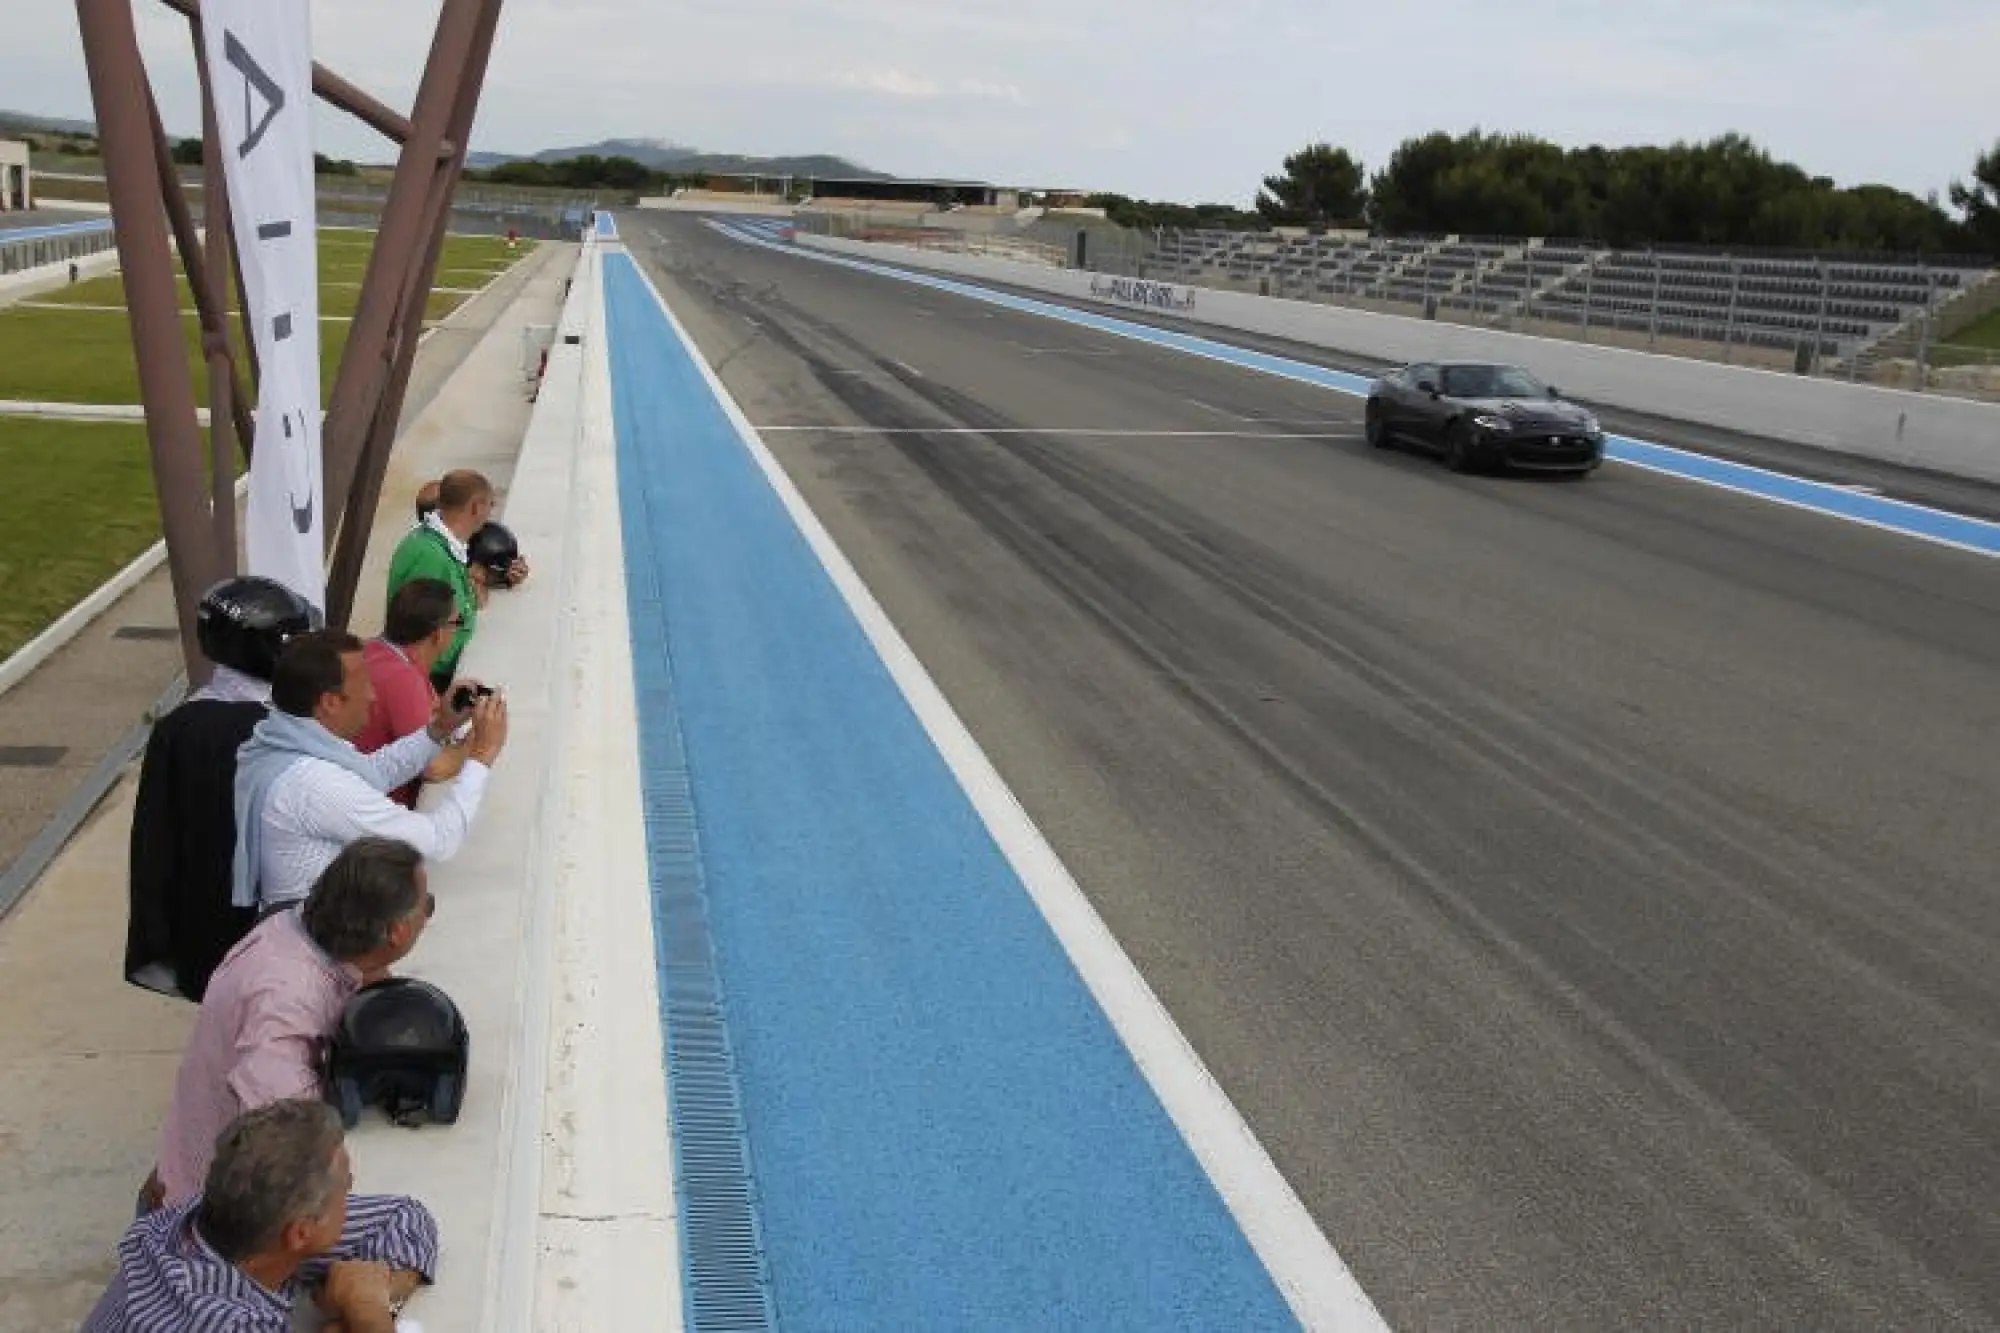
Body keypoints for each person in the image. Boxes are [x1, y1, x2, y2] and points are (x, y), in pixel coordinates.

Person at [144, 838, 434, 1210]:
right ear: (397, 932)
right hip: (205, 1218)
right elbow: (287, 1149)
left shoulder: (296, 925)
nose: (428, 913)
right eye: (427, 906)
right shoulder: (282, 1011)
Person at [85, 1099, 438, 1332]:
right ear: (300, 1234)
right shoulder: (222, 1323)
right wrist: (365, 1308)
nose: (351, 1193)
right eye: (347, 1187)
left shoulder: (182, 1224)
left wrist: (384, 1291)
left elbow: (404, 1217)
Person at [126, 576, 318, 1003]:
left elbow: (154, 843)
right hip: (274, 935)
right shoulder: (278, 730)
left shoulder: (179, 726)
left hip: (201, 934)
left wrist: (159, 937)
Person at [231, 630, 507, 915]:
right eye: (365, 685)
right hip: (321, 934)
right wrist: (482, 754)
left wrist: (439, 728)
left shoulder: (280, 739)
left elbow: (373, 772)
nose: (372, 696)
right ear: (331, 702)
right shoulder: (314, 784)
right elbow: (439, 840)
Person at [385, 470, 528, 694]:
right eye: (490, 505)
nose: (490, 513)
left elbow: (466, 598)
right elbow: (421, 638)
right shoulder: (430, 557)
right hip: (428, 681)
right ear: (476, 507)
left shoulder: (439, 543)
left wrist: (501, 576)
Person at [355, 579, 468, 809]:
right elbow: (434, 768)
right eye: (457, 622)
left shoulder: (372, 649)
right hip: (379, 809)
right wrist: (476, 743)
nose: (458, 630)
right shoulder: (403, 679)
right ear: (438, 634)